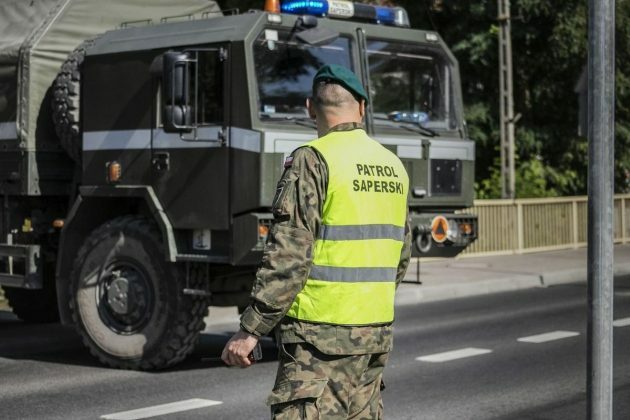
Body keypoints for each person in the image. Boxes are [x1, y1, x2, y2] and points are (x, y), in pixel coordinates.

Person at [222, 64, 411, 419]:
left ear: (311, 108)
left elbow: (289, 255)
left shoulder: (313, 159)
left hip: (319, 337)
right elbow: (401, 257)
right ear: (363, 108)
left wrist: (251, 330)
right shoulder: (393, 166)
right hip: (374, 334)